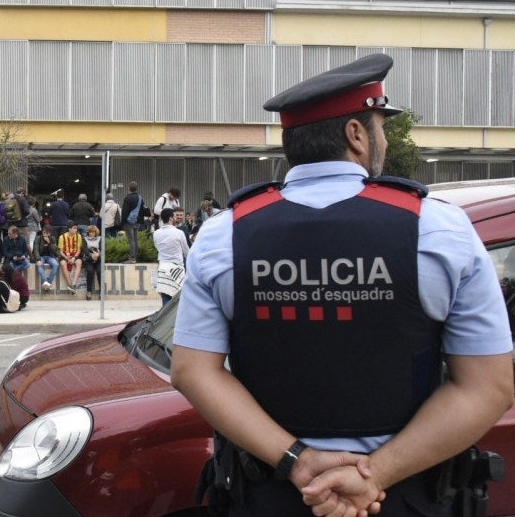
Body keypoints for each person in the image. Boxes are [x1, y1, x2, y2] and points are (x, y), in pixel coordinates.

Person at [171, 53, 514, 516]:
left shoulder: (223, 234)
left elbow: (194, 371)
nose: (384, 143)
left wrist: (299, 462)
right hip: (405, 497)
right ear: (356, 135)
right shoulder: (438, 229)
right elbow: (488, 387)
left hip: (270, 495)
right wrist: (374, 476)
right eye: (380, 128)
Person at [152, 207, 188, 306]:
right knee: (180, 298)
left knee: (165, 297)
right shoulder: (179, 233)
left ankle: (165, 320)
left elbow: (157, 247)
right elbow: (186, 252)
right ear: (171, 218)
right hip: (178, 268)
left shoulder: (156, 233)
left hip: (163, 267)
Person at [121, 181, 148, 264]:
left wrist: (122, 222)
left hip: (129, 222)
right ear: (136, 188)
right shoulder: (140, 198)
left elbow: (124, 211)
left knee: (131, 240)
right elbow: (142, 210)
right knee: (135, 240)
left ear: (129, 188)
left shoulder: (127, 198)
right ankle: (135, 257)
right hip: (137, 222)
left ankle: (132, 259)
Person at [58, 222, 84, 293]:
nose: (75, 230)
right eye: (74, 228)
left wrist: (74, 258)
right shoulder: (62, 237)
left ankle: (74, 284)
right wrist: (67, 258)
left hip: (75, 255)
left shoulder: (79, 236)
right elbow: (60, 251)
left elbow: (79, 249)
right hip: (65, 255)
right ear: (69, 229)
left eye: (76, 228)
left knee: (79, 262)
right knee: (63, 264)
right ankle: (70, 284)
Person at [33, 225, 60, 292]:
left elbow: (55, 250)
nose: (45, 234)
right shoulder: (38, 238)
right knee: (39, 264)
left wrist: (49, 242)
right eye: (44, 232)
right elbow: (35, 249)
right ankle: (45, 281)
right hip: (41, 256)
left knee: (55, 265)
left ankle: (48, 283)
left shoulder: (53, 238)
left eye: (47, 233)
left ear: (50, 233)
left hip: (50, 257)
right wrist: (38, 259)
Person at [82, 225, 103, 301]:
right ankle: (89, 291)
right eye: (90, 232)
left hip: (98, 259)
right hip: (88, 260)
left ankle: (102, 292)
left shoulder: (100, 238)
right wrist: (91, 255)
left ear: (95, 232)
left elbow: (102, 248)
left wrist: (97, 255)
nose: (91, 233)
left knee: (100, 271)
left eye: (93, 232)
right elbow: (85, 249)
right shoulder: (84, 239)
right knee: (90, 272)